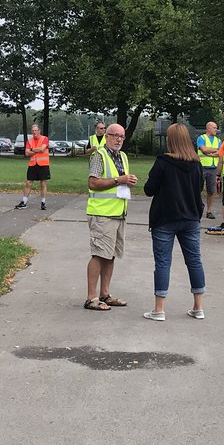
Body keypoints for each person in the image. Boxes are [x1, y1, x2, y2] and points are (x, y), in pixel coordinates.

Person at [142, 123, 206, 321]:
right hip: (190, 218)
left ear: (170, 140)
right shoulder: (197, 164)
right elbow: (199, 190)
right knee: (194, 260)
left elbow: (149, 189)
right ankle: (198, 307)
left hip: (165, 217)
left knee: (163, 262)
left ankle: (159, 309)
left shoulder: (163, 162)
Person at [84, 123, 136, 310]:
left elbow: (119, 182)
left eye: (121, 136)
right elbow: (93, 183)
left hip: (118, 212)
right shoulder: (99, 155)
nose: (118, 139)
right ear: (106, 136)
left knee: (110, 255)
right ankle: (91, 297)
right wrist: (118, 180)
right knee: (99, 254)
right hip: (102, 213)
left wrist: (128, 181)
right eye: (114, 135)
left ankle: (104, 294)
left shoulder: (122, 156)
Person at [15, 123, 50, 210]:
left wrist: (32, 150)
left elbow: (42, 149)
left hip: (43, 164)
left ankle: (43, 202)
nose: (34, 132)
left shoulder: (44, 139)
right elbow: (27, 153)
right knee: (28, 183)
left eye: (36, 130)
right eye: (33, 131)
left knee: (43, 183)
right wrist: (37, 150)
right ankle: (24, 202)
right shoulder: (29, 141)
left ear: (39, 131)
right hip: (33, 164)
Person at [196, 120, 222, 220]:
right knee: (197, 189)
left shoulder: (218, 140)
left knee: (211, 191)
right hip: (202, 167)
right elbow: (204, 149)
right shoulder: (201, 138)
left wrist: (211, 151)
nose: (216, 130)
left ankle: (209, 211)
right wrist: (215, 150)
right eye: (214, 128)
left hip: (213, 168)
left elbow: (220, 152)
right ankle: (197, 208)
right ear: (208, 128)